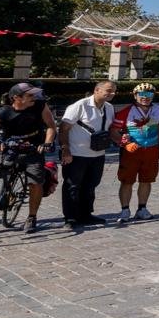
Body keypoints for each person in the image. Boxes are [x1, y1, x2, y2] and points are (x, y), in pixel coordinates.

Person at [0, 83, 57, 233]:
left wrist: (47, 142)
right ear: (16, 98)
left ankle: (32, 217)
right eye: (30, 95)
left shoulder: (40, 106)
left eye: (34, 94)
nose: (34, 97)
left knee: (35, 182)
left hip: (33, 150)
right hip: (9, 150)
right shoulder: (3, 111)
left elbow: (51, 126)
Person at [58, 80, 116, 228]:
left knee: (91, 185)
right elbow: (64, 128)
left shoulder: (109, 107)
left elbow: (110, 129)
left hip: (98, 154)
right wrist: (65, 149)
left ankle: (85, 214)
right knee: (72, 186)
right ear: (97, 90)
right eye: (108, 90)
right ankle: (70, 218)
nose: (112, 93)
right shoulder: (80, 106)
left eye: (114, 91)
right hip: (77, 154)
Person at [112, 83, 159, 225]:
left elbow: (158, 127)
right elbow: (113, 131)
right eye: (142, 94)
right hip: (132, 151)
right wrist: (124, 143)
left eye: (149, 94)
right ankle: (125, 210)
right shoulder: (126, 111)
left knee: (146, 180)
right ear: (135, 96)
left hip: (151, 150)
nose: (145, 97)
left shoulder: (158, 109)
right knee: (127, 181)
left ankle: (142, 208)